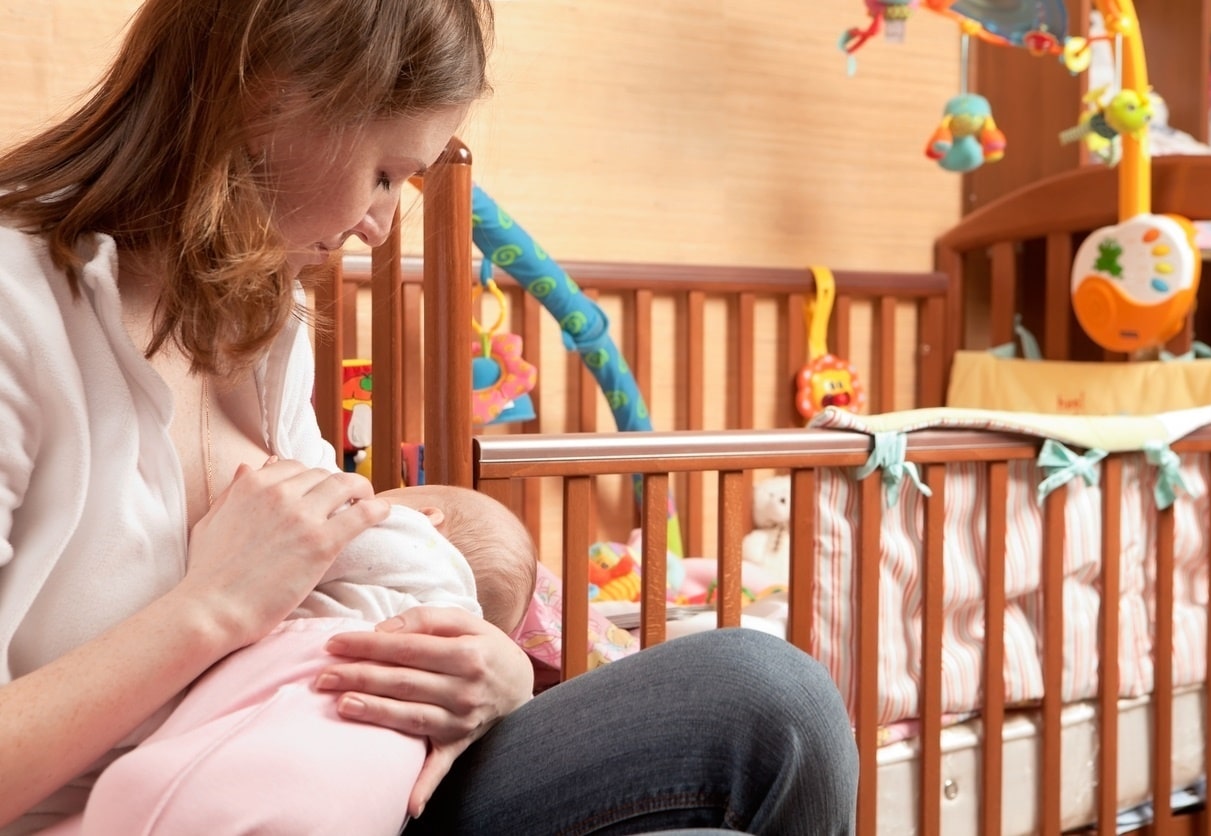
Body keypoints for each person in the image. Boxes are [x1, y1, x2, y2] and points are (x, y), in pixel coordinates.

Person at [0, 1, 858, 834]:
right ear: (270, 93)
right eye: (382, 174)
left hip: (338, 762)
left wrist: (492, 676)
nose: (380, 228)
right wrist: (209, 609)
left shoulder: (262, 321)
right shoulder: (18, 307)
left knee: (769, 694)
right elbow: (250, 590)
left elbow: (337, 575)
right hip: (168, 803)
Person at [77, 484, 537, 835]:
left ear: (426, 518)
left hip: (308, 688)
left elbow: (306, 539)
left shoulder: (412, 540)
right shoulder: (457, 623)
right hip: (372, 779)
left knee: (167, 796)